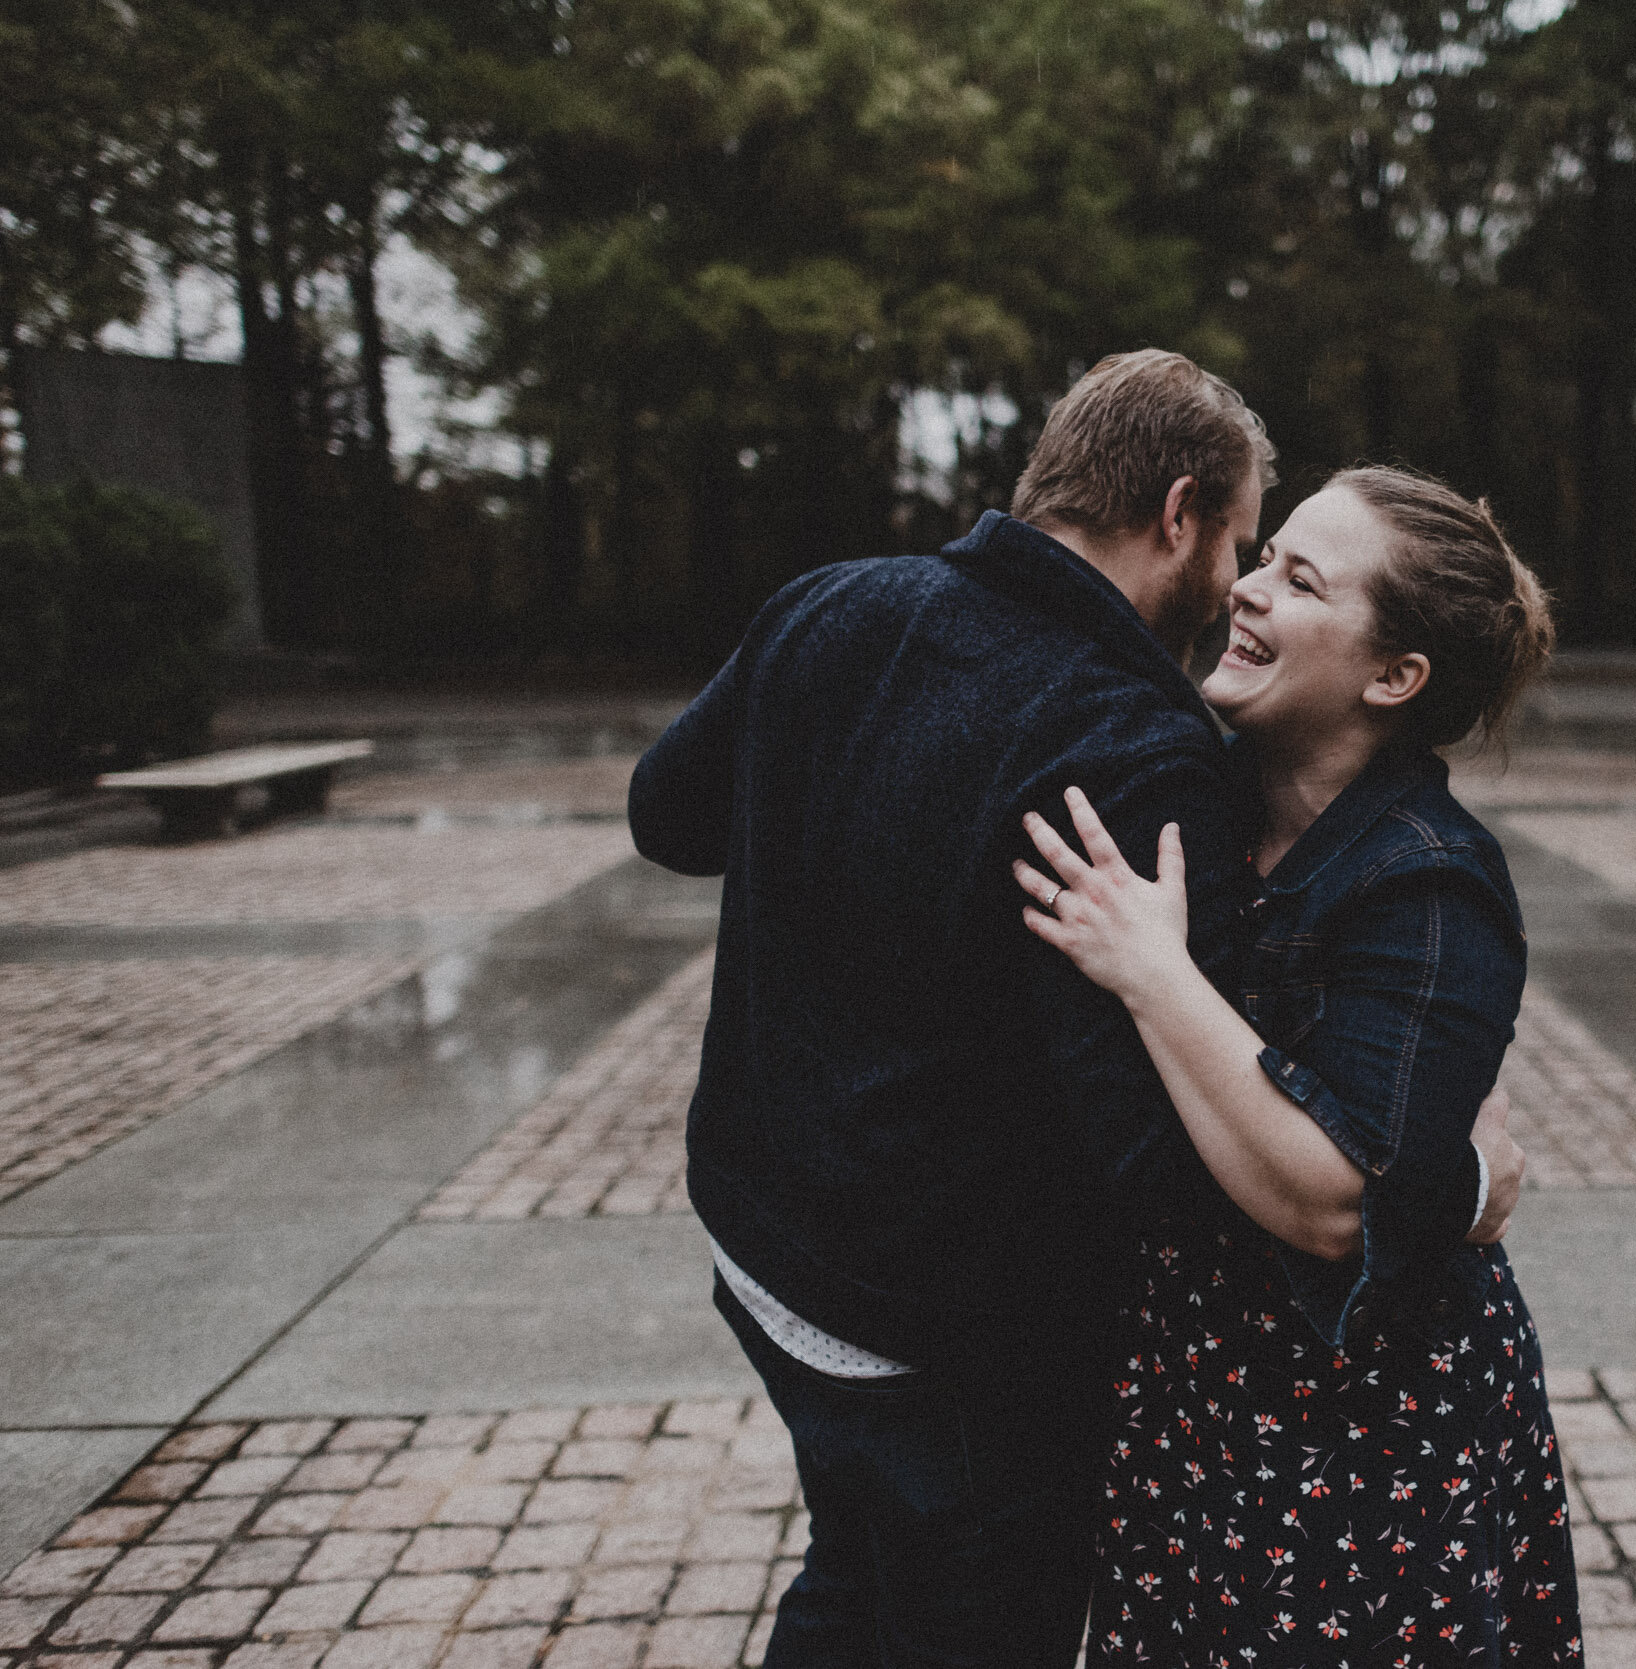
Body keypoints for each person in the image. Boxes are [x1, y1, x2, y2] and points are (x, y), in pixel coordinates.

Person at [627, 352, 1525, 1668]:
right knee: (961, 1609)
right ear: (1178, 515)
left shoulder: (832, 605)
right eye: (1242, 544)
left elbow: (670, 815)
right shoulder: (1131, 745)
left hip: (764, 1248)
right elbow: (1167, 1172)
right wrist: (1450, 1182)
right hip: (947, 1343)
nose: (1240, 587)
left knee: (856, 1562)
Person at [1015, 466, 1582, 1662]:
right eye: (1264, 558)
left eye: (1301, 580)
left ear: (1393, 677)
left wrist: (1152, 970)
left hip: (1366, 1441)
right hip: (1189, 1405)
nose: (1247, 591)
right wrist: (1457, 1187)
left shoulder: (1430, 882)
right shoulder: (1191, 801)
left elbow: (1332, 1203)